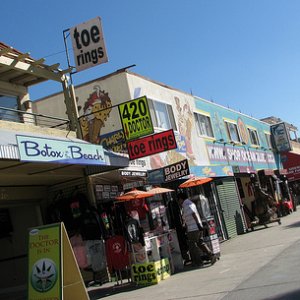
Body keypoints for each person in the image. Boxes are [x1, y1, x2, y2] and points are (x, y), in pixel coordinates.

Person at [178, 191, 216, 267]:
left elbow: (193, 213)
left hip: (193, 229)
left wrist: (198, 224)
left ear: (181, 199)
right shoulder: (188, 203)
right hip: (196, 227)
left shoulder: (186, 204)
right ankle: (211, 255)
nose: (179, 202)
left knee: (192, 245)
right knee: (200, 243)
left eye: (178, 200)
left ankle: (198, 262)